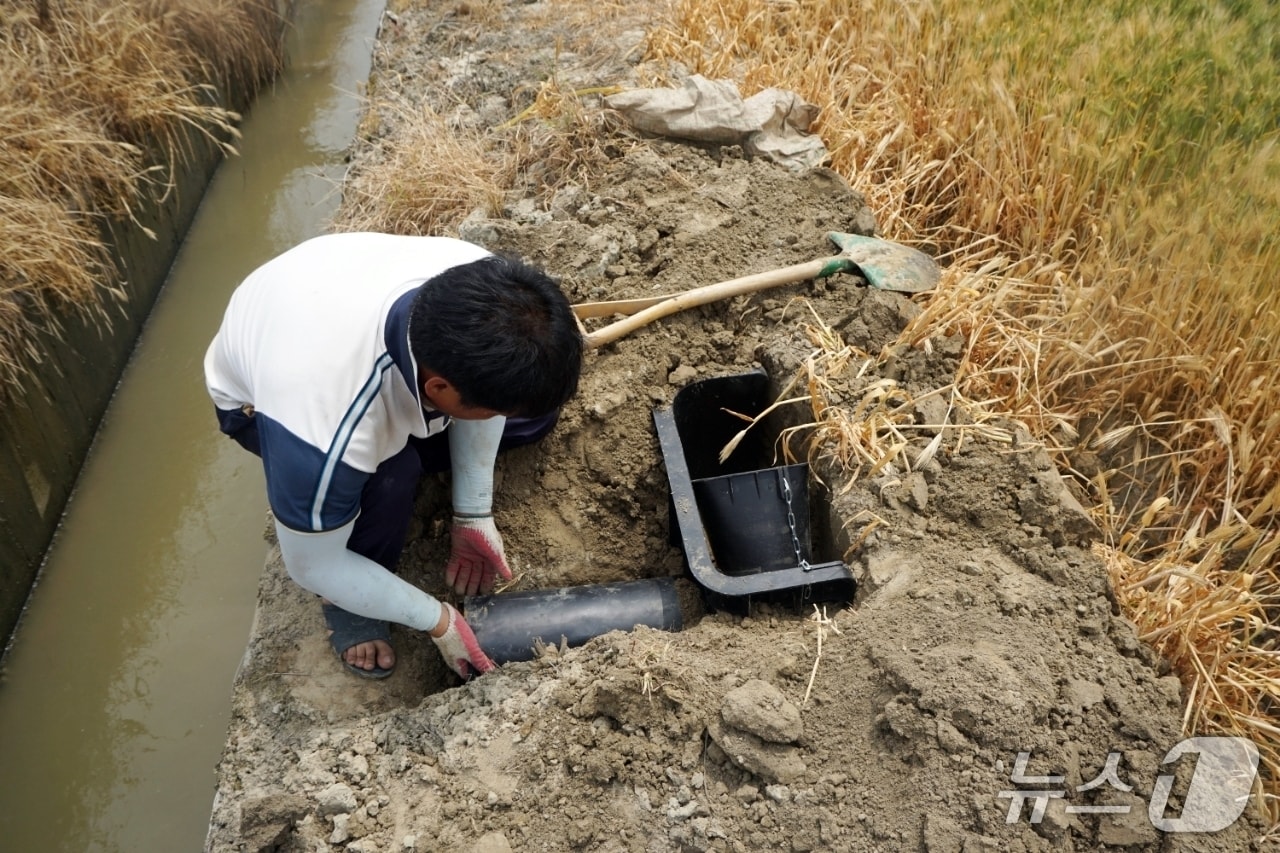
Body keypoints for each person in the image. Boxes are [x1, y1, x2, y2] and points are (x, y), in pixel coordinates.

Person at [204, 232, 583, 680]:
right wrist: (439, 621)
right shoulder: (322, 434)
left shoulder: (492, 286)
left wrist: (473, 512)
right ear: (439, 388)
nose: (495, 415)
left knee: (531, 416)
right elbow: (311, 564)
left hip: (329, 289)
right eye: (487, 409)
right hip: (262, 400)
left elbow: (496, 395)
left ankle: (443, 433)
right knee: (390, 473)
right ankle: (345, 605)